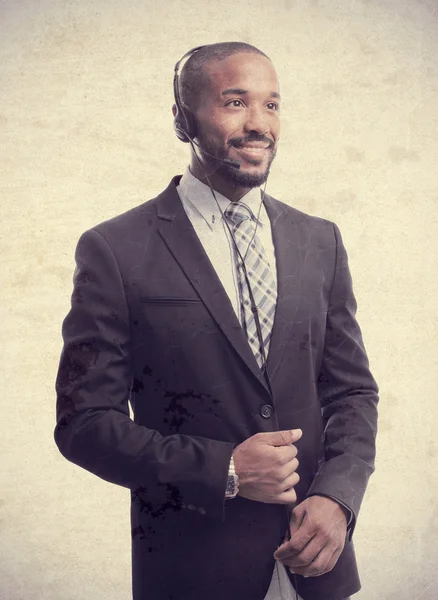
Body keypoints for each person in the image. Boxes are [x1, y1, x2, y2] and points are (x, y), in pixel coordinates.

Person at [54, 42, 379, 600]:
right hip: (192, 568)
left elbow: (351, 392)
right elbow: (84, 424)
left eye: (272, 104)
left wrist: (338, 499)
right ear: (183, 119)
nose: (259, 124)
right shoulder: (116, 249)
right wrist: (223, 468)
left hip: (318, 563)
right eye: (235, 102)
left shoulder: (319, 240)